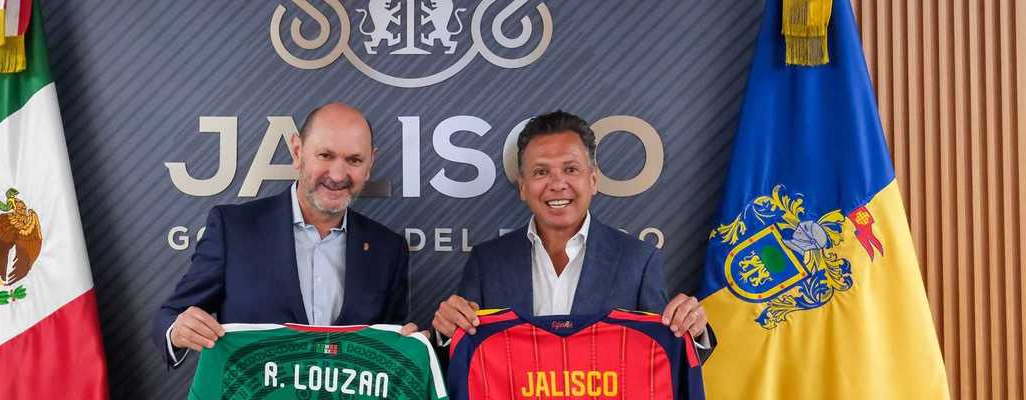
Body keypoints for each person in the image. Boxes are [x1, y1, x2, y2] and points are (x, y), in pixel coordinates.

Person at [153, 102, 421, 368]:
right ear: (297, 151)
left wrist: (404, 348)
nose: (338, 175)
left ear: (370, 163)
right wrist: (178, 330)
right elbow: (169, 317)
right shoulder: (233, 228)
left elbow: (386, 353)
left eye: (354, 160)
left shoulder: (389, 249)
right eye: (325, 156)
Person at [431, 111, 714, 357]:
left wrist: (693, 332)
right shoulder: (487, 261)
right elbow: (461, 359)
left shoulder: (638, 261)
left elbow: (664, 358)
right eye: (541, 172)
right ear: (522, 187)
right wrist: (445, 333)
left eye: (571, 169)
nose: (557, 184)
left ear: (592, 180)